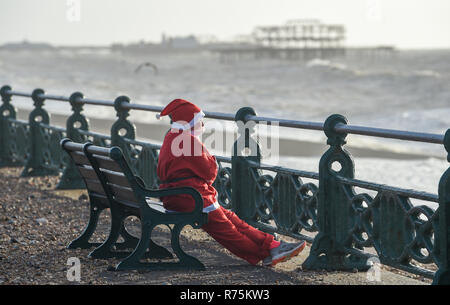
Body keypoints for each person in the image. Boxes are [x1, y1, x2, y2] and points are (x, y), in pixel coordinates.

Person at [156, 98, 306, 267]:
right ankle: (266, 253)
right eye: (200, 121)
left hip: (177, 195)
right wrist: (210, 157)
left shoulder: (171, 136)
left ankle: (272, 244)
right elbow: (210, 172)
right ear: (190, 122)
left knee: (231, 218)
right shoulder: (189, 141)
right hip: (190, 197)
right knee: (228, 231)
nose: (203, 126)